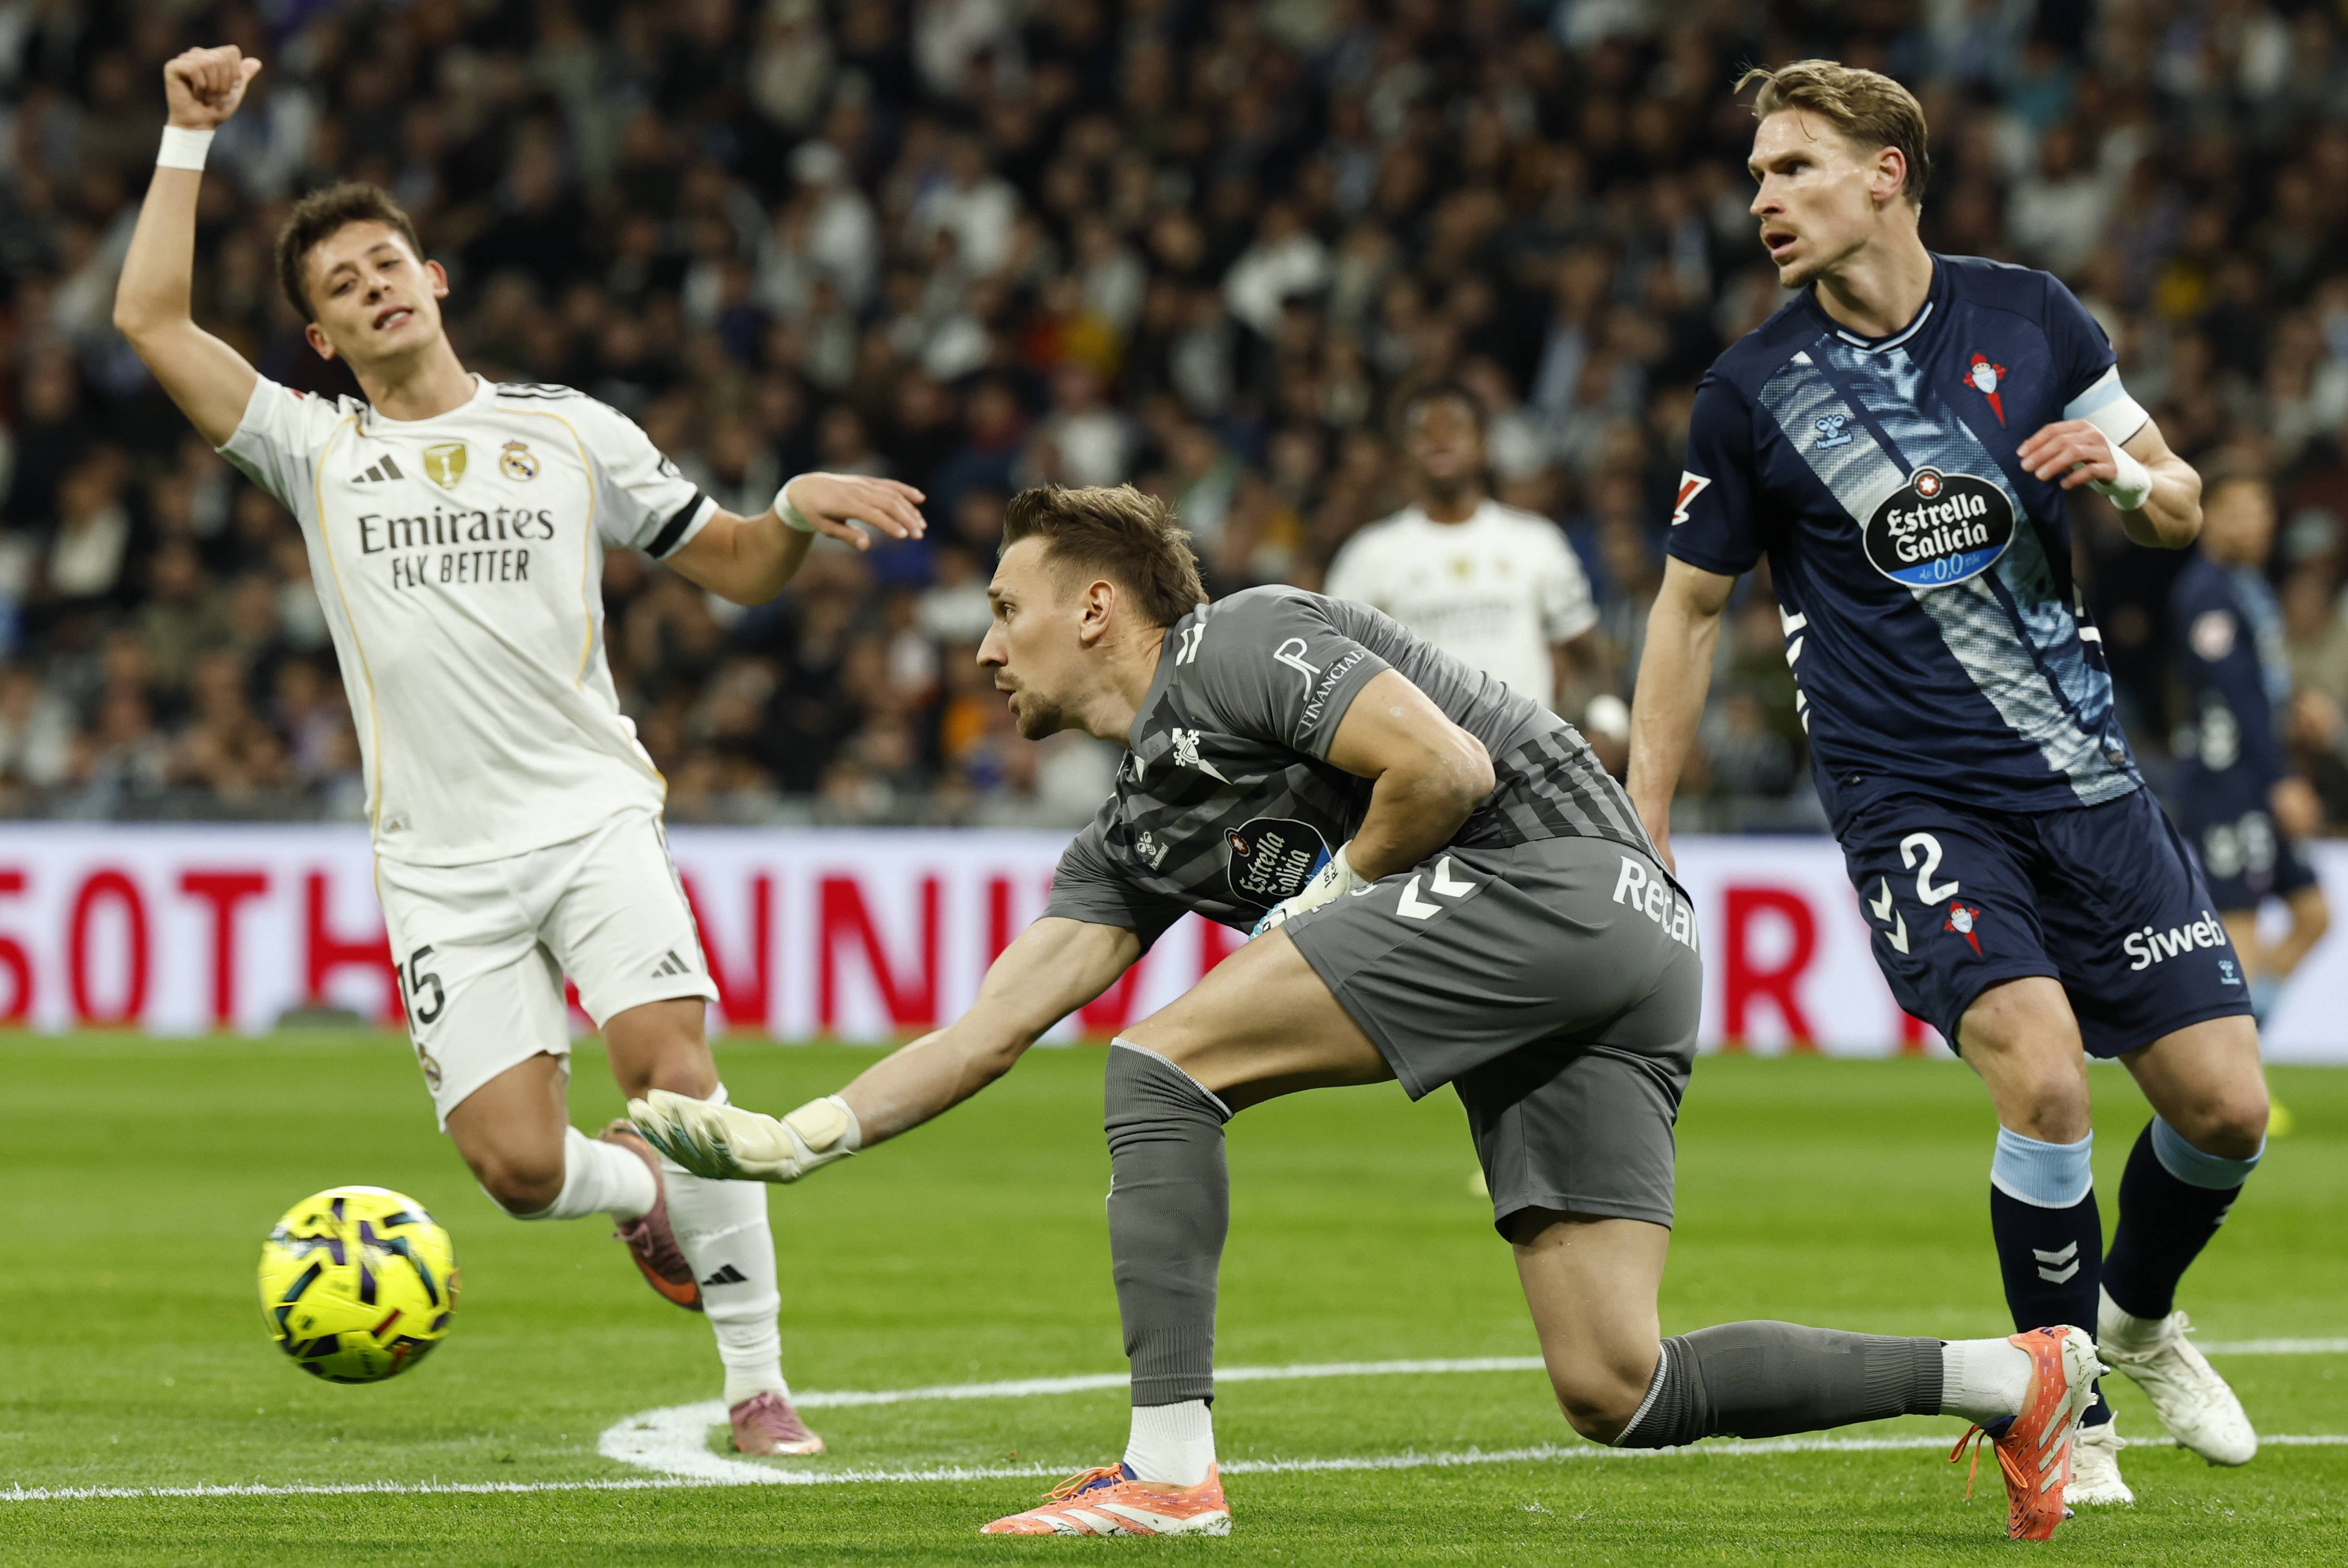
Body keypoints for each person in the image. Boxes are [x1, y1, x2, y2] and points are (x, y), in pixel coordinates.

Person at [633, 483, 2103, 1542]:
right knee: (1617, 1380)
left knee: (1161, 1064)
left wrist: (1325, 897)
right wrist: (799, 1135)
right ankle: (2009, 1373)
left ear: (1096, 605)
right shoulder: (1132, 832)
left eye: (1006, 610)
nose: (983, 647)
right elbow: (988, 1027)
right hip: (1629, 951)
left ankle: (1167, 1467)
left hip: (1557, 884)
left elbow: (1444, 770)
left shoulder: (1237, 639)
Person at [113, 45, 927, 1455]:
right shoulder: (313, 451)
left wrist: (792, 508)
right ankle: (643, 1192)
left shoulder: (566, 432)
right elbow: (148, 317)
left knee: (673, 1068)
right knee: (516, 1167)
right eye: (341, 286)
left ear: (435, 280)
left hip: (592, 815)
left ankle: (757, 1385)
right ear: (323, 339)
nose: (373, 286)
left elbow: (738, 567)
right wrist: (188, 135)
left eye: (387, 262)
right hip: (440, 862)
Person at [1625, 60, 2264, 1509]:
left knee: (2227, 1108)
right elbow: (1689, 609)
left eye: (1793, 166)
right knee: (2043, 1077)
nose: (1763, 196)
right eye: (1756, 174)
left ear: (1886, 175)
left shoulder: (2032, 319)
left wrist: (2122, 477)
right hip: (1912, 793)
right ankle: (2067, 1408)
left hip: (2087, 778)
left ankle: (2134, 1318)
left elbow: (2180, 499)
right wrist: (1646, 814)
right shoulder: (1751, 390)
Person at [1324, 386, 1604, 717]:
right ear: (1405, 451)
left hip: (1523, 745)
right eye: (1424, 432)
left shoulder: (1536, 542)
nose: (1439, 441)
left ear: (1483, 445)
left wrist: (1606, 713)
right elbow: (1332, 666)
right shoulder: (1369, 554)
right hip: (1420, 746)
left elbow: (1586, 650)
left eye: (1454, 428)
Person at [2169, 469, 2332, 1017]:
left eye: (2261, 511)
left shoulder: (2249, 586)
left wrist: (2295, 705)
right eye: (2237, 511)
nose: (2255, 523)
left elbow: (2260, 687)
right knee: (2240, 924)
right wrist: (2283, 780)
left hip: (2254, 777)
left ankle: (2247, 1032)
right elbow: (2234, 696)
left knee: (2313, 915)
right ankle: (2224, 1056)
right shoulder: (2205, 593)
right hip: (2226, 783)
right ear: (2206, 518)